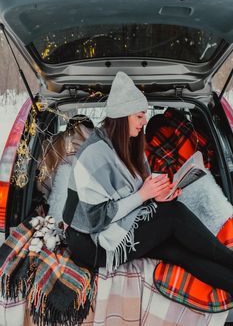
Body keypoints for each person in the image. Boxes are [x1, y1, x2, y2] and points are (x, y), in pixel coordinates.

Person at [63, 71, 233, 296]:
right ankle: (228, 258)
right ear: (123, 116)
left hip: (116, 225)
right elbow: (95, 218)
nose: (145, 122)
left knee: (178, 252)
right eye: (140, 116)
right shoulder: (93, 156)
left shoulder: (128, 144)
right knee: (173, 214)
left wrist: (157, 194)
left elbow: (135, 190)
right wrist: (144, 196)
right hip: (91, 242)